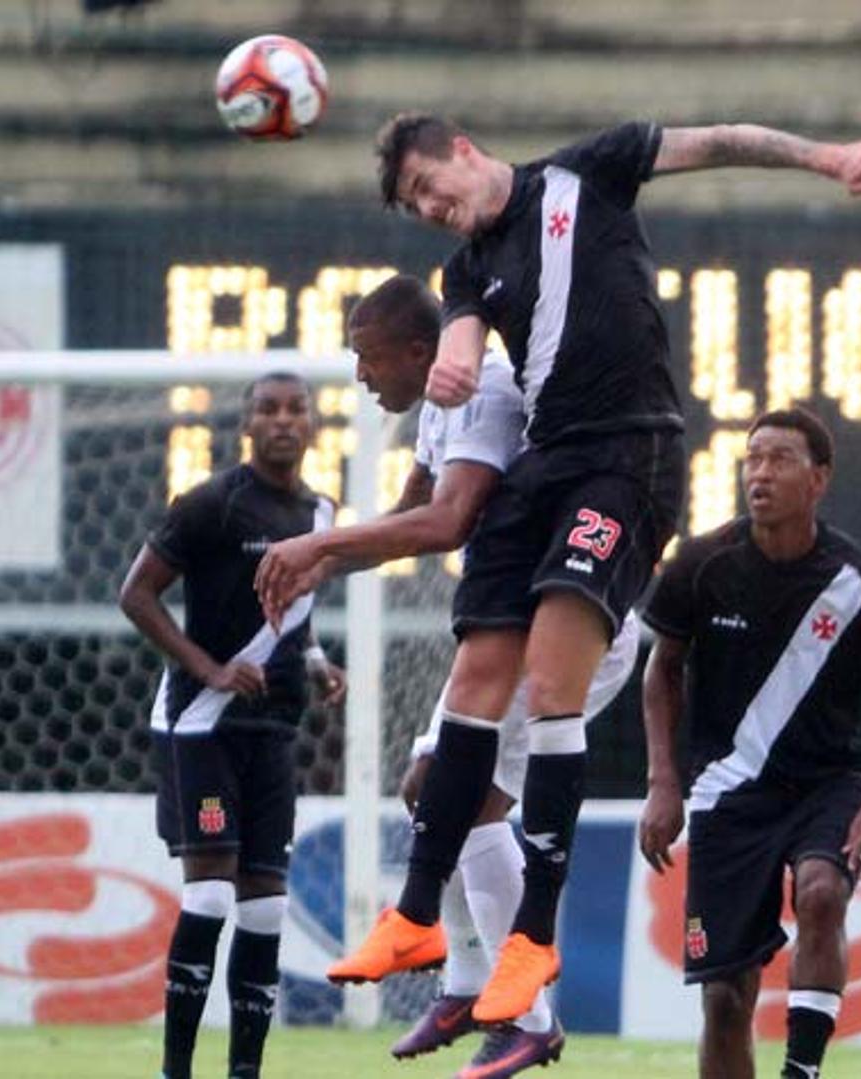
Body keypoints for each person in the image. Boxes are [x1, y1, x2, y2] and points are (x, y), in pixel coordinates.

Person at [327, 112, 861, 1025]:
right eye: (414, 207)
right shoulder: (465, 269)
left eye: (425, 189)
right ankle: (414, 914)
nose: (430, 210)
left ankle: (529, 941)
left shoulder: (583, 174)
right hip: (547, 463)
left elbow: (718, 140)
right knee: (474, 682)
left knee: (549, 679)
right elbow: (460, 334)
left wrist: (826, 156)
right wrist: (454, 354)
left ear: (460, 151)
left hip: (626, 454)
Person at [255, 275, 640, 1077]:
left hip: (574, 615)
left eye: (368, 356)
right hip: (521, 618)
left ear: (423, 351)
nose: (360, 375)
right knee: (431, 786)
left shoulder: (484, 391)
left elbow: (447, 519)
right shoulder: (437, 407)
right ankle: (469, 980)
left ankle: (528, 1016)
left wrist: (319, 549)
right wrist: (322, 563)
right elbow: (410, 511)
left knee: (462, 793)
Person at [636, 407, 861, 1079]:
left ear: (819, 478)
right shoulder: (702, 566)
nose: (759, 473)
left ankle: (802, 1071)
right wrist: (662, 779)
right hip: (728, 791)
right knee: (725, 1000)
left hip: (831, 782)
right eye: (753, 459)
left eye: (779, 460)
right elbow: (661, 670)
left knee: (823, 893)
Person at [118, 373, 347, 1079]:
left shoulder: (321, 513)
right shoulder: (211, 504)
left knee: (268, 908)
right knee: (211, 892)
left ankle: (244, 1070)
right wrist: (209, 668)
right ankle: (176, 1068)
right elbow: (137, 594)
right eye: (268, 409)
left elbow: (288, 617)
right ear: (246, 425)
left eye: (296, 409)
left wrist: (314, 660)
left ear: (312, 424)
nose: (283, 420)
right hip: (201, 724)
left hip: (272, 729)